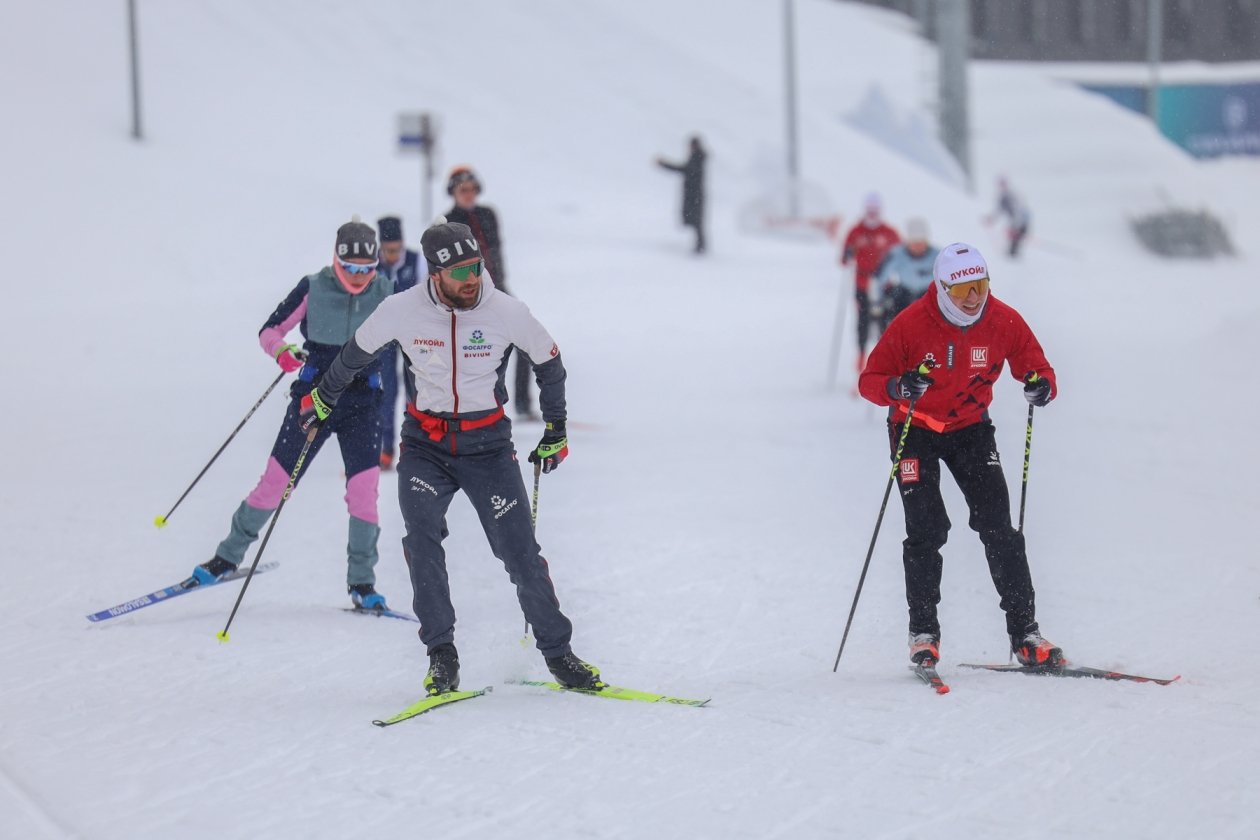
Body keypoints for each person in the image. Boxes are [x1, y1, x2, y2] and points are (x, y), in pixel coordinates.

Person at [298, 218, 602, 695]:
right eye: (460, 271)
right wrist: (323, 396)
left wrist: (555, 428)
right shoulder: (403, 309)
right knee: (422, 543)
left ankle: (560, 656)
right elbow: (355, 354)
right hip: (425, 445)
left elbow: (549, 362)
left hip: (488, 447)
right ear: (436, 274)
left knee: (520, 554)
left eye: (476, 266)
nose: (472, 278)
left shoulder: (506, 310)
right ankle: (442, 655)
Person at [857, 241, 1062, 669]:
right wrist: (897, 388)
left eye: (981, 285)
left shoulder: (1003, 319)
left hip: (970, 428)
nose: (975, 298)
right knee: (927, 529)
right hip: (915, 429)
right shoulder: (912, 324)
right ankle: (924, 635)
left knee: (998, 527)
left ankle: (1026, 634)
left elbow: (1035, 363)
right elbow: (871, 380)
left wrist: (1040, 384)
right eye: (963, 290)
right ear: (942, 288)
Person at [191, 217, 394, 610]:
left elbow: (417, 333)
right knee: (274, 484)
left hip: (363, 405)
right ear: (335, 261)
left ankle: (363, 584)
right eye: (349, 268)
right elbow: (270, 330)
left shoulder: (387, 292)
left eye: (365, 269)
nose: (357, 277)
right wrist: (282, 352)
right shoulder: (314, 287)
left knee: (364, 495)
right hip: (312, 401)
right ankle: (227, 557)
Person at [444, 165, 537, 422]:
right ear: (453, 192)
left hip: (497, 287)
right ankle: (479, 405)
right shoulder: (449, 221)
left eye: (472, 189)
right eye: (464, 190)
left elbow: (496, 251)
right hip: (469, 294)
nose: (469, 194)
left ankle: (521, 403)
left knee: (524, 339)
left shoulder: (488, 214)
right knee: (478, 350)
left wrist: (500, 283)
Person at [375, 215, 426, 470]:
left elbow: (426, 296)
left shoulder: (417, 262)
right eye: (387, 250)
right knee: (386, 391)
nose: (392, 255)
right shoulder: (372, 264)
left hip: (410, 335)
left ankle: (411, 447)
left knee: (412, 391)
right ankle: (385, 448)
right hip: (384, 336)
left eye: (395, 249)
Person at [841, 193, 900, 370]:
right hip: (862, 283)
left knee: (885, 321)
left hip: (884, 285)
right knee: (863, 321)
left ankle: (884, 357)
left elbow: (901, 257)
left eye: (875, 211)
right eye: (869, 211)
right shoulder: (856, 231)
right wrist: (848, 255)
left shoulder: (889, 233)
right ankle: (861, 356)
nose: (872, 215)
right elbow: (844, 259)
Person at [870, 217, 938, 330]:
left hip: (927, 296)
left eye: (921, 243)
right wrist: (876, 301)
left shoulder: (937, 256)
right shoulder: (897, 254)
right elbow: (879, 278)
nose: (918, 247)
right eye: (914, 243)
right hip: (903, 295)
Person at [655, 135, 707, 254]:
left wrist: (664, 164)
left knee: (697, 221)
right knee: (695, 221)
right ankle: (700, 245)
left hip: (695, 195)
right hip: (693, 194)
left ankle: (700, 246)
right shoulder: (696, 157)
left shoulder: (698, 158)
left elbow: (686, 170)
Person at [987, 176, 1031, 258]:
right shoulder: (1002, 197)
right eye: (1000, 185)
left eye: (1003, 184)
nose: (1001, 187)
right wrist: (991, 219)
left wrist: (1016, 227)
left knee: (1015, 241)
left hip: (1021, 221)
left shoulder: (1011, 195)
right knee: (1013, 241)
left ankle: (1014, 259)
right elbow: (999, 210)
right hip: (1016, 222)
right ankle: (1012, 258)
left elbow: (1019, 211)